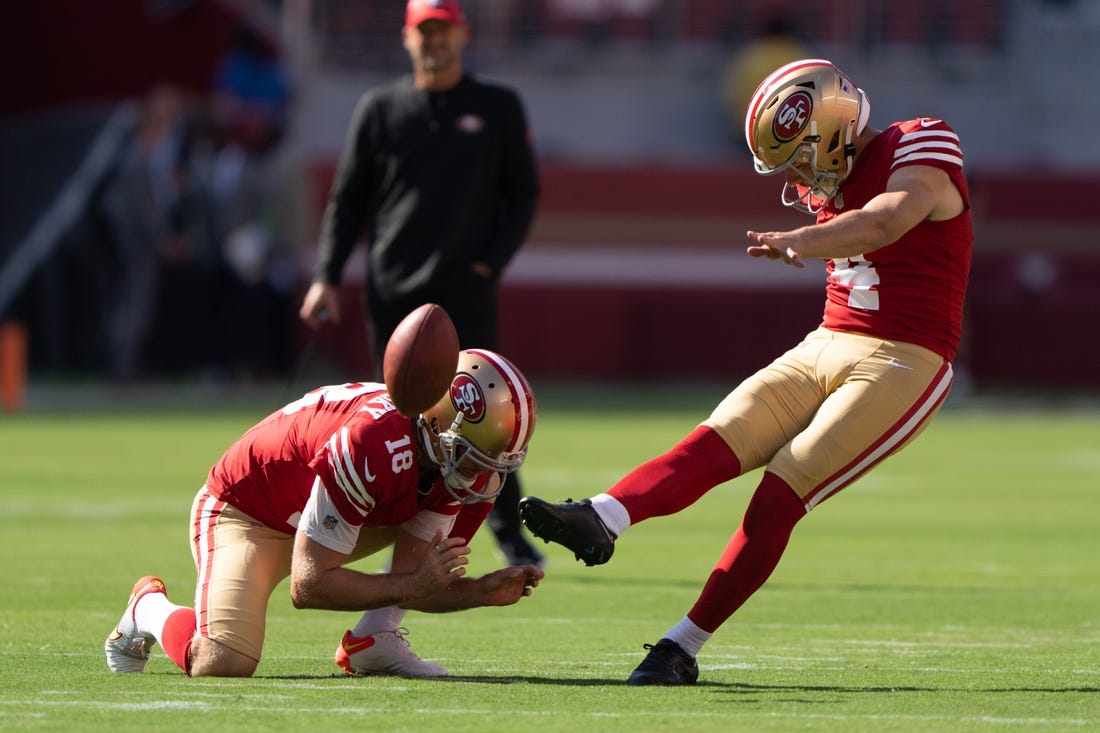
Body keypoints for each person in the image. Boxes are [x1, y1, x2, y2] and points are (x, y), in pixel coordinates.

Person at [519, 58, 972, 686]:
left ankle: (681, 647)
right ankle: (602, 515)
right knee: (716, 439)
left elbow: (887, 219)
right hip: (827, 341)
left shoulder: (920, 140)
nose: (795, 175)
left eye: (797, 156)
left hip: (906, 359)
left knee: (781, 491)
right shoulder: (831, 175)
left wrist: (802, 241)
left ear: (833, 126)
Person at [105, 348, 543, 678]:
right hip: (246, 514)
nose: (483, 479)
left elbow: (419, 585)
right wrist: (414, 582)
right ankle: (148, 608)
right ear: (439, 425)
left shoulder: (452, 460)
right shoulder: (372, 443)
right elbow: (310, 586)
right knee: (223, 660)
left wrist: (480, 592)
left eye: (496, 462)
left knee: (425, 552)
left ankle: (373, 639)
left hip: (338, 507)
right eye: (473, 459)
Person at [298, 0, 543, 569]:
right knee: (399, 414)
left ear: (462, 34)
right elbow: (348, 200)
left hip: (466, 289)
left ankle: (505, 528)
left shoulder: (496, 106)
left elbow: (524, 194)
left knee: (488, 412)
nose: (434, 41)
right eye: (423, 31)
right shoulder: (380, 108)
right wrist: (326, 278)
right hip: (396, 291)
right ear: (408, 38)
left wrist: (490, 264)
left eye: (443, 29)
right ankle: (393, 531)